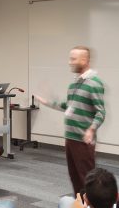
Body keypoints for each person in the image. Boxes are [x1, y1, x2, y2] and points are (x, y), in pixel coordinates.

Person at [35, 46, 106, 196]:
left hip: (83, 140)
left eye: (73, 59)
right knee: (75, 178)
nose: (70, 62)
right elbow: (69, 106)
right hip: (70, 138)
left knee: (87, 179)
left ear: (85, 60)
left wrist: (91, 129)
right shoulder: (74, 84)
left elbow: (100, 112)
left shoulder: (94, 83)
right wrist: (48, 102)